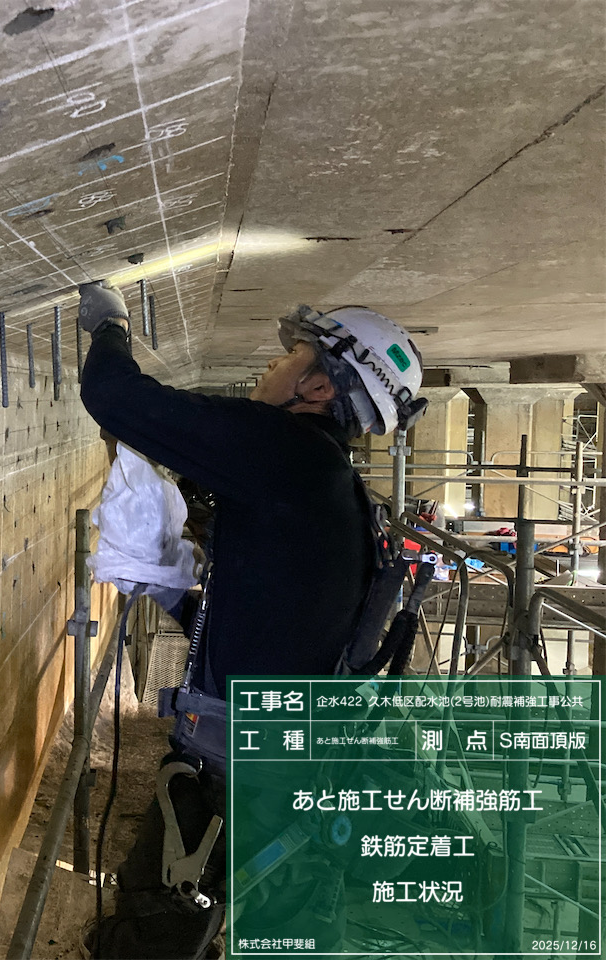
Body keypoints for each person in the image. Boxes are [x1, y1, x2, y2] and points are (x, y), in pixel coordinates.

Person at [75, 282, 428, 959]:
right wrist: (172, 590)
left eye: (292, 354)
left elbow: (117, 398)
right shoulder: (329, 487)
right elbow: (270, 628)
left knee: (148, 939)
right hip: (272, 782)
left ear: (318, 386)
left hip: (240, 785)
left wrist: (110, 325)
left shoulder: (288, 454)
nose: (272, 364)